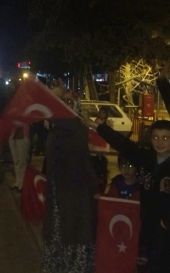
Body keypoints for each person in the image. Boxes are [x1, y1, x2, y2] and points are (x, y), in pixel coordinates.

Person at [90, 118, 170, 273]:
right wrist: (101, 128)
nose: (160, 142)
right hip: (153, 227)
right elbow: (125, 146)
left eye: (165, 138)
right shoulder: (147, 159)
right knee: (154, 264)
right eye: (155, 137)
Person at [42, 89, 98, 273]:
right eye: (61, 101)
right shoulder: (55, 128)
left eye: (68, 101)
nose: (64, 104)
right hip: (58, 191)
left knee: (74, 233)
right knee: (58, 232)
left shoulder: (77, 126)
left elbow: (70, 127)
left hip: (75, 193)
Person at [9, 123, 30, 192]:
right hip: (13, 137)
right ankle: (18, 182)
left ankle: (22, 183)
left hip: (22, 137)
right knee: (16, 162)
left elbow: (25, 123)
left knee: (22, 162)